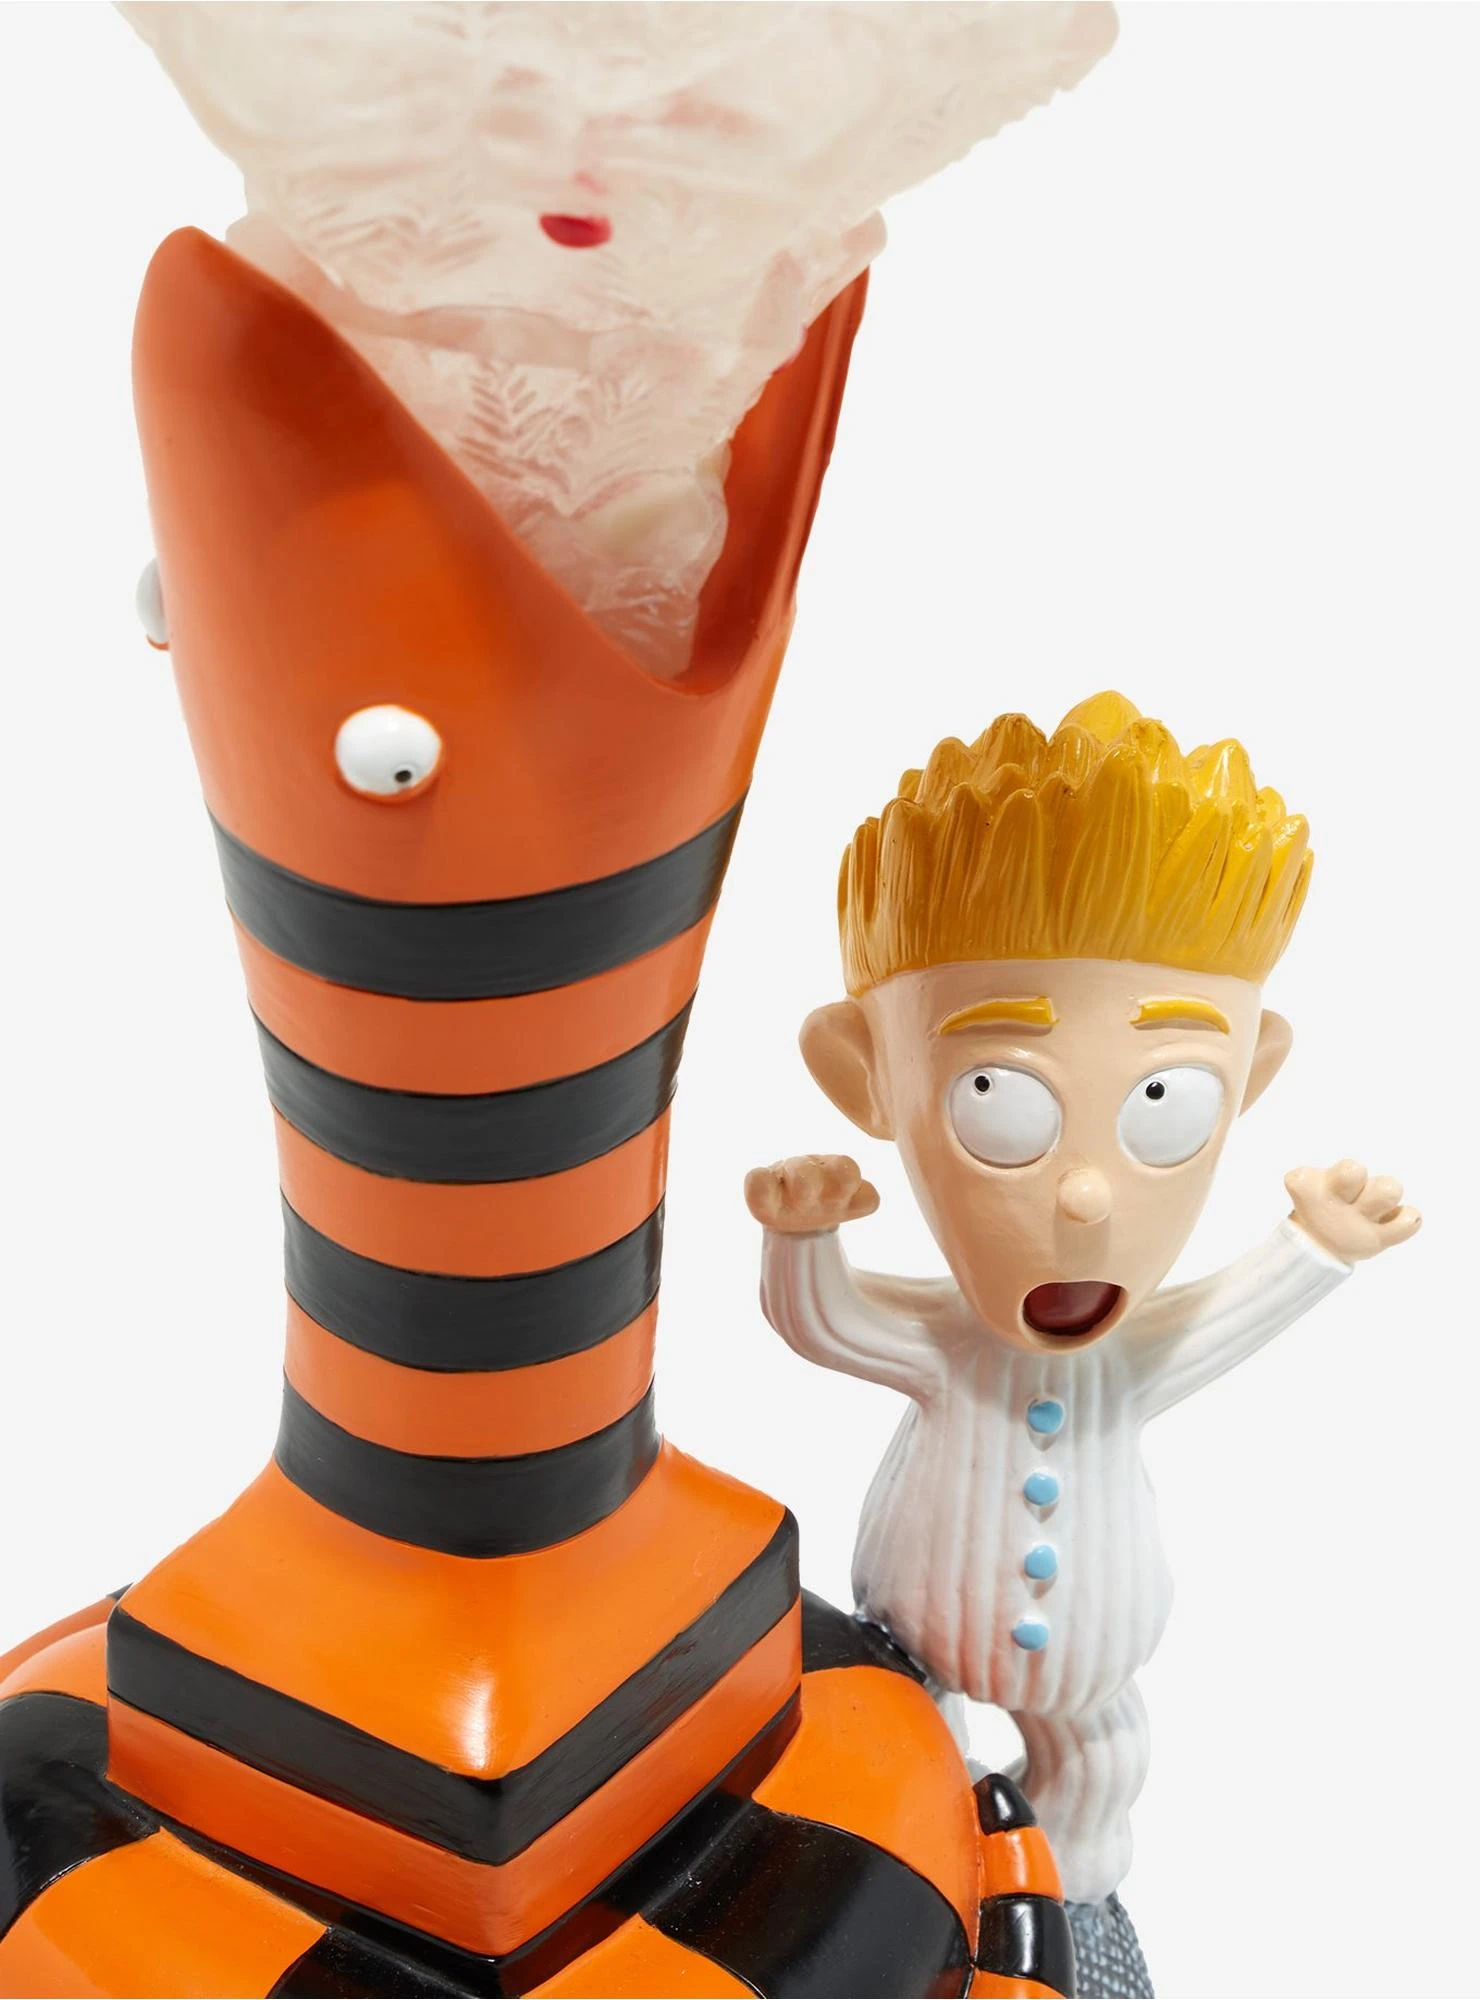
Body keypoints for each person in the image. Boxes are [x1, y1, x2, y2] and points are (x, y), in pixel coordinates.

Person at [746, 691, 1418, 1994]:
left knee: (1098, 1765)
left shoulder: (1138, 1353)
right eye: (1000, 1101)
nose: (1090, 1195)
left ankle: (1074, 1929)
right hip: (913, 1645)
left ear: (1248, 1083)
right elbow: (825, 1321)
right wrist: (802, 1239)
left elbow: (1227, 1318)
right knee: (898, 1756)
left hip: (1095, 1660)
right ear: (867, 1075)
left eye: (1166, 1105)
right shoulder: (943, 1342)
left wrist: (1317, 1247)